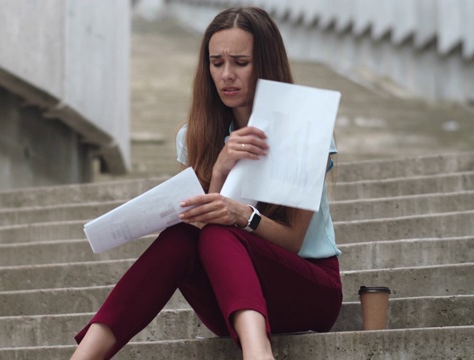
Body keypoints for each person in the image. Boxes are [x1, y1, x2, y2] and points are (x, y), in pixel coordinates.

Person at [71, 6, 342, 360]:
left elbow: (292, 241)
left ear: (265, 64)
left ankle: (258, 354)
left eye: (240, 62)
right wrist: (219, 172)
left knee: (220, 231)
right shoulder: (195, 136)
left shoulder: (304, 129)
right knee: (182, 238)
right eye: (217, 63)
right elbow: (201, 236)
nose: (227, 75)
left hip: (308, 289)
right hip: (230, 302)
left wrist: (244, 215)